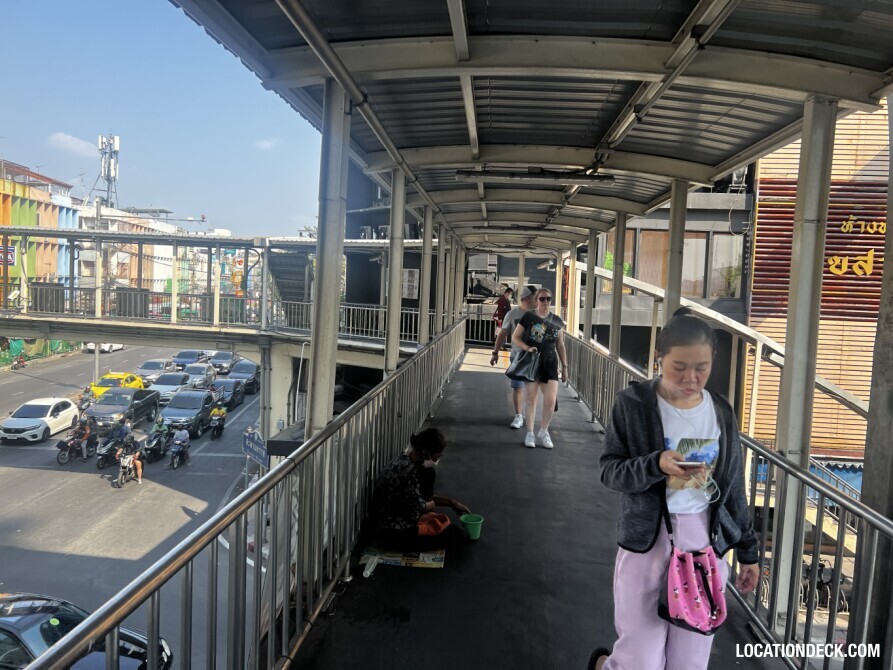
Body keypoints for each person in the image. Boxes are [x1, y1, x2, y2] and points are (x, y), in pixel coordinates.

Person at [590, 308, 760, 670]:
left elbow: (734, 486)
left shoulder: (721, 412)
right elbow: (610, 471)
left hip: (704, 542)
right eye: (679, 366)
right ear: (659, 357)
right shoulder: (633, 404)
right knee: (640, 659)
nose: (691, 378)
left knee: (690, 660)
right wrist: (655, 464)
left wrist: (748, 551)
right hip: (646, 541)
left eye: (701, 368)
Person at [368, 428, 471, 552]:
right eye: (436, 457)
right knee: (458, 534)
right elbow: (421, 507)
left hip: (384, 522)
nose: (436, 461)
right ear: (425, 453)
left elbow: (417, 499)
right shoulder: (409, 472)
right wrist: (435, 503)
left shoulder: (402, 460)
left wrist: (452, 503)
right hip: (393, 531)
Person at [510, 288, 567, 449]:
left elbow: (560, 344)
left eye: (548, 298)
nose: (545, 301)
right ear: (536, 300)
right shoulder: (528, 317)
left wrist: (565, 367)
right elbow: (515, 337)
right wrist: (527, 348)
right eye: (542, 299)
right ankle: (530, 433)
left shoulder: (556, 320)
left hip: (550, 362)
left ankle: (543, 431)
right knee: (531, 399)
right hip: (532, 360)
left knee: (550, 401)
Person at [490, 285, 538, 429]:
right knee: (518, 387)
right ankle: (518, 416)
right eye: (536, 298)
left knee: (532, 389)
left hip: (535, 358)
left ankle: (528, 413)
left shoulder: (539, 314)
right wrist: (495, 353)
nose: (538, 300)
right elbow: (503, 334)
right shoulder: (512, 314)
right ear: (526, 298)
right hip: (517, 357)